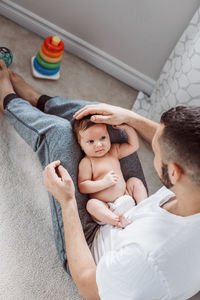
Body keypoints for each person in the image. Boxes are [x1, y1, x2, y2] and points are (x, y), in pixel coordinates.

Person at [1, 59, 200, 300]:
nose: (153, 150)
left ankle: (8, 102)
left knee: (59, 133)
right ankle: (40, 101)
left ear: (174, 173)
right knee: (103, 119)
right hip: (131, 208)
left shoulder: (146, 260)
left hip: (91, 246)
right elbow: (165, 139)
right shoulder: (189, 185)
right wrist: (129, 116)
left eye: (156, 153)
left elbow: (87, 283)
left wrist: (67, 202)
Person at [73, 117, 147, 228]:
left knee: (134, 181)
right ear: (81, 145)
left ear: (109, 136)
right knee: (91, 205)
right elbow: (83, 186)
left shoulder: (114, 151)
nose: (98, 145)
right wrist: (104, 182)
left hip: (126, 196)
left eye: (103, 138)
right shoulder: (87, 162)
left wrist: (127, 129)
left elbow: (134, 145)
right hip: (107, 207)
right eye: (91, 141)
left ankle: (144, 207)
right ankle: (117, 221)